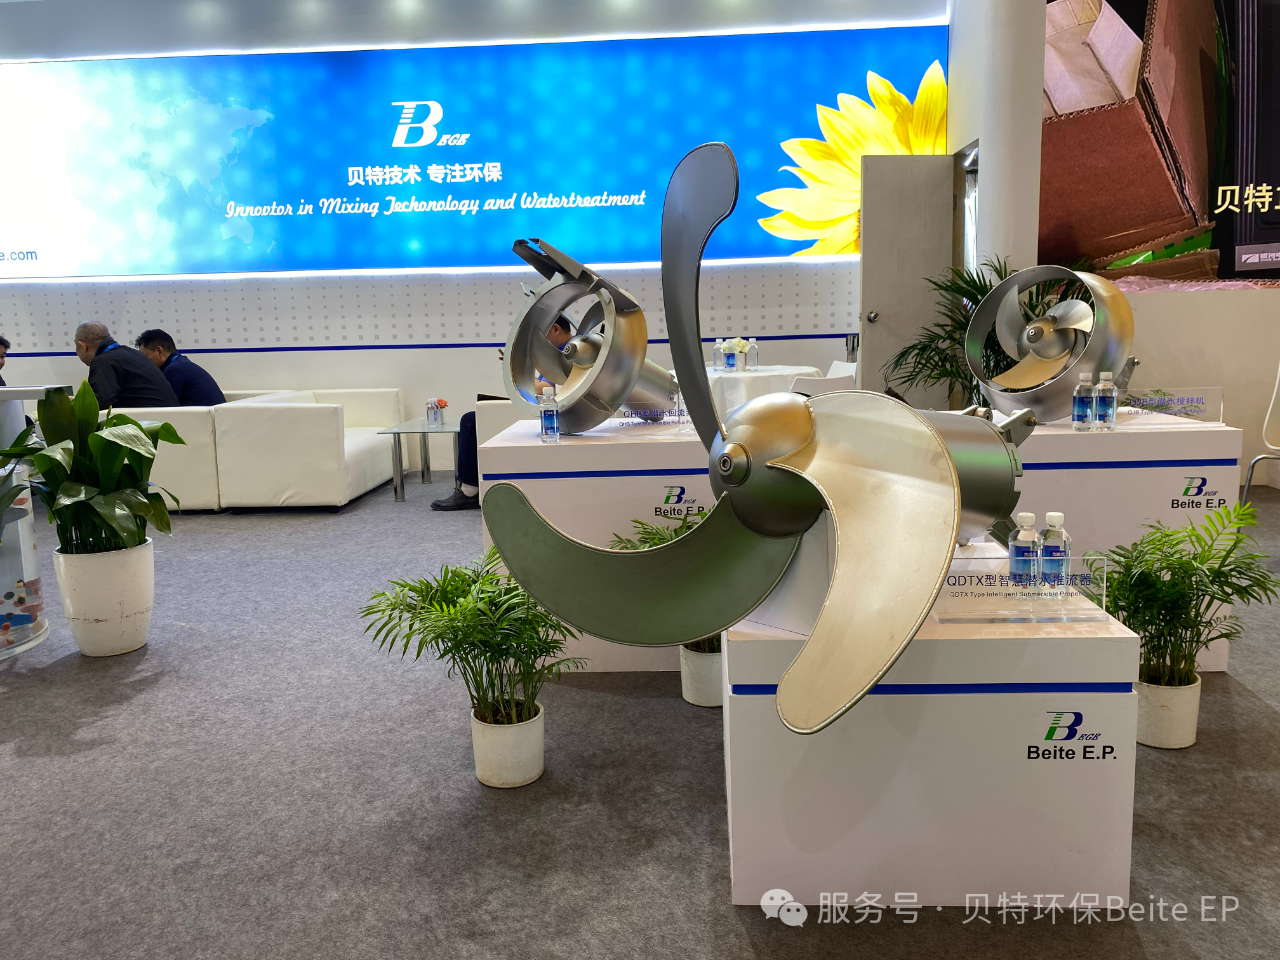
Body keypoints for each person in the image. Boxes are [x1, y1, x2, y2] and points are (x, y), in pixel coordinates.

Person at [431, 316, 573, 511]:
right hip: (541, 410)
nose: (539, 344)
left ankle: (469, 491)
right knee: (474, 416)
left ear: (555, 329)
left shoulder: (567, 354)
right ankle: (470, 487)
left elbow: (545, 389)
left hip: (547, 415)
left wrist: (515, 370)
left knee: (470, 420)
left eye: (541, 337)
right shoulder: (564, 352)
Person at [73, 322, 179, 408]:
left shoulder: (104, 362)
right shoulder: (133, 354)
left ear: (83, 346)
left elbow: (98, 406)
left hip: (149, 422)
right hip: (166, 419)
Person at [135, 328, 226, 406]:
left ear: (159, 351)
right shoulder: (181, 363)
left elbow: (165, 405)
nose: (144, 361)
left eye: (145, 356)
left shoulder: (175, 370)